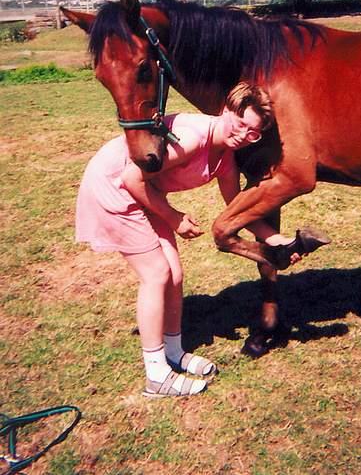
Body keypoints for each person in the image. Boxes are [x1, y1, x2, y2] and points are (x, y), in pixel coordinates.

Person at [76, 83, 308, 398]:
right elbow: (131, 177)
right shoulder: (194, 137)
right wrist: (173, 218)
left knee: (175, 273)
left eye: (252, 133)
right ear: (226, 110)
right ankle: (156, 375)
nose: (243, 135)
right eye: (239, 123)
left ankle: (173, 352)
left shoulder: (225, 157)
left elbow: (238, 210)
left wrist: (276, 240)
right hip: (114, 186)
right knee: (156, 274)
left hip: (147, 193)